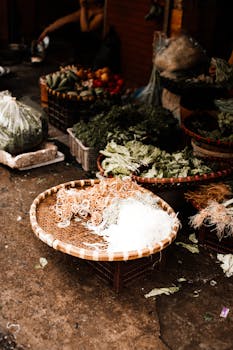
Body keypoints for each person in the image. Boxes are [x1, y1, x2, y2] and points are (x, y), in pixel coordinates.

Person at [38, 0, 105, 66]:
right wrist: (47, 30)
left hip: (94, 48)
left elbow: (85, 30)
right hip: (84, 45)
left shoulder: (101, 14)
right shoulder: (90, 10)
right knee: (67, 25)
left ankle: (79, 61)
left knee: (73, 29)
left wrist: (83, 8)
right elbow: (66, 20)